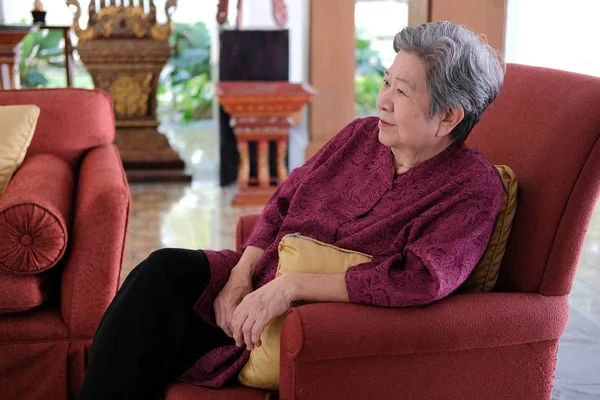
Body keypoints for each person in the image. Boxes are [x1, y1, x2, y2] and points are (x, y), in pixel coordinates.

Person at [76, 21, 506, 399]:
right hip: (255, 289)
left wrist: (291, 286)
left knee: (150, 342)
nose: (383, 101)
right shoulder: (360, 135)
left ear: (449, 117)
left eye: (402, 90)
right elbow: (284, 201)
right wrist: (240, 277)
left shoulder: (472, 187)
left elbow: (421, 279)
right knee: (160, 273)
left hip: (315, 322)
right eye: (386, 82)